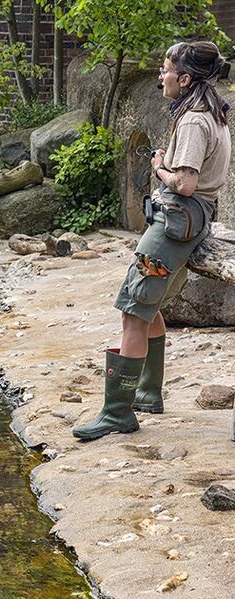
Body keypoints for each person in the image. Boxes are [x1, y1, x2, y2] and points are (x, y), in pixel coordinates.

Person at [72, 41, 231, 441]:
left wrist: (160, 169)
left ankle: (117, 412)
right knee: (150, 303)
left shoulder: (194, 121)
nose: (160, 77)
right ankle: (147, 393)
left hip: (175, 222)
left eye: (165, 70)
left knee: (132, 310)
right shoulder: (210, 113)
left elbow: (187, 184)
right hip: (188, 221)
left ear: (185, 78)